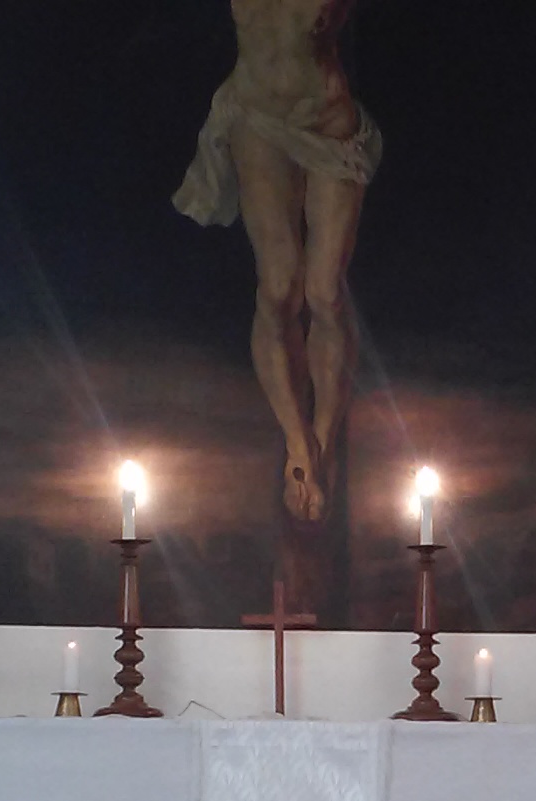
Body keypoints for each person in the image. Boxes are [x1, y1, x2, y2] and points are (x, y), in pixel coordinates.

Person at [175, 0, 379, 525]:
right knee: (279, 287)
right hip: (257, 119)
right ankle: (298, 443)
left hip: (329, 122)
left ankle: (323, 441)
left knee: (325, 291)